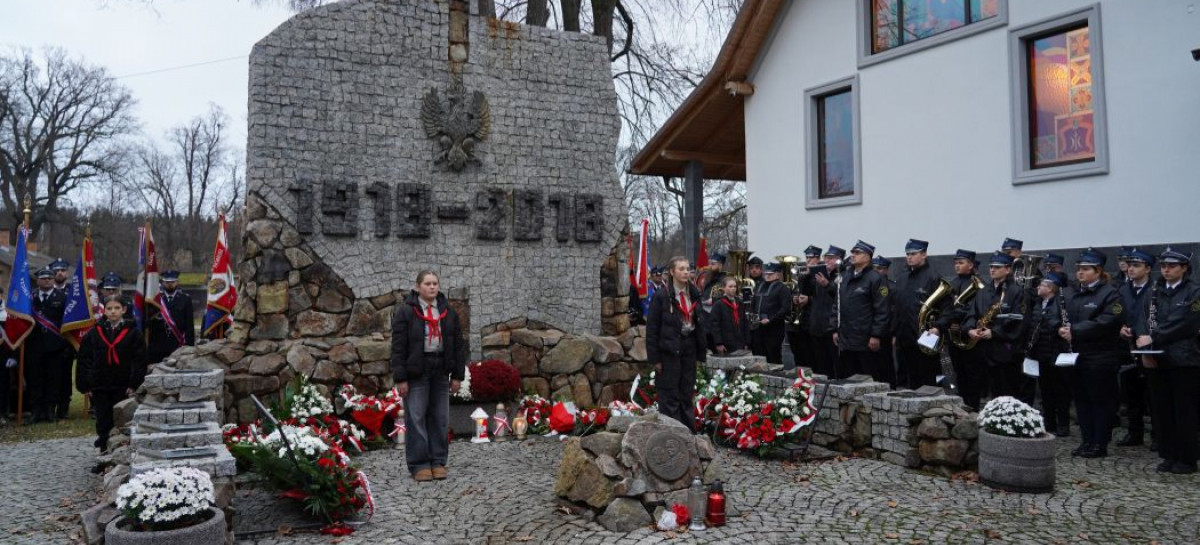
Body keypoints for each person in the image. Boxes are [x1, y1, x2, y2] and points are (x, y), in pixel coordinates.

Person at [391, 271, 467, 482]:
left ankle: (437, 461)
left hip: (440, 369)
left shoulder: (447, 311)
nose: (432, 287)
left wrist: (457, 375)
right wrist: (400, 378)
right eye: (427, 283)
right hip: (417, 370)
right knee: (416, 417)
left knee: (440, 417)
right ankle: (420, 464)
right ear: (418, 287)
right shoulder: (407, 312)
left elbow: (458, 345)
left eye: (435, 283)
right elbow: (398, 347)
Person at [1135, 247, 1200, 474]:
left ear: (1184, 268)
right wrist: (1146, 348)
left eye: (1172, 266)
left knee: (1184, 411)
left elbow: (1185, 322)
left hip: (1184, 359)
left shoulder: (1194, 292)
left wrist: (1154, 336)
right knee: (1162, 410)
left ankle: (1187, 458)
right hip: (1157, 358)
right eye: (1163, 266)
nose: (1166, 270)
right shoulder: (1154, 291)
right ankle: (1169, 454)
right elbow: (1143, 320)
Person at [1059, 248, 1124, 459]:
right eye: (1079, 268)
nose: (1080, 272)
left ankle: (1099, 442)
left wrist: (1075, 330)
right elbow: (1059, 315)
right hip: (1075, 355)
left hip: (1099, 356)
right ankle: (1086, 440)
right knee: (1081, 400)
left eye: (1086, 269)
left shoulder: (1110, 293)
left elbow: (1108, 321)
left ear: (1098, 271)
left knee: (1100, 401)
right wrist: (1059, 328)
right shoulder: (1071, 292)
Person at [76, 296, 146, 452]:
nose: (113, 312)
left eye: (116, 308)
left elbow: (139, 360)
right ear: (104, 311)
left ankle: (121, 450)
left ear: (124, 310)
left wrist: (134, 383)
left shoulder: (133, 333)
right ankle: (104, 448)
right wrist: (86, 384)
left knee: (122, 418)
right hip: (100, 383)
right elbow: (85, 358)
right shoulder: (95, 332)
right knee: (103, 419)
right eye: (109, 308)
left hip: (123, 385)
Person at [647, 256, 706, 432]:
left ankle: (688, 432)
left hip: (689, 347)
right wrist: (655, 359)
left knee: (686, 393)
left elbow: (700, 323)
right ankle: (672, 433)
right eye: (681, 269)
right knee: (669, 393)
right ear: (672, 272)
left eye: (687, 269)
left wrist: (700, 352)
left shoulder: (694, 293)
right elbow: (652, 329)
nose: (686, 272)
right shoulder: (662, 295)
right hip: (669, 351)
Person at [964, 252, 1025, 402]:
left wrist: (995, 332)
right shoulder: (983, 291)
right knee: (984, 390)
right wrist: (970, 329)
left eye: (997, 267)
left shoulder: (1016, 291)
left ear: (1008, 269)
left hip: (1004, 352)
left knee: (1006, 392)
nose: (992, 270)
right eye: (991, 267)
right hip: (983, 350)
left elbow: (1018, 320)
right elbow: (972, 313)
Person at [932, 250, 984, 407]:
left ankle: (973, 406)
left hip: (970, 336)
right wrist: (948, 321)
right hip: (953, 335)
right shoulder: (953, 283)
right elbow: (946, 306)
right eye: (955, 263)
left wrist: (960, 325)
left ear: (971, 265)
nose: (957, 266)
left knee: (972, 374)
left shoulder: (979, 284)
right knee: (958, 372)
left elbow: (975, 308)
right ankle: (962, 403)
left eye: (961, 263)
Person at [833, 241, 889, 380]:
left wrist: (876, 335)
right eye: (852, 252)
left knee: (867, 377)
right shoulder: (845, 277)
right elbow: (837, 304)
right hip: (846, 337)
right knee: (849, 376)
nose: (852, 255)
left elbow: (882, 309)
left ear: (868, 257)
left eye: (857, 253)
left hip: (865, 339)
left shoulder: (875, 278)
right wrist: (834, 329)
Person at [1025, 272, 1072, 437]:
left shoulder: (1060, 303)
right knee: (1045, 390)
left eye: (1042, 285)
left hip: (1056, 352)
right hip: (1040, 353)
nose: (1038, 287)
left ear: (1051, 288)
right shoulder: (1038, 303)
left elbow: (1055, 324)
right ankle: (1049, 421)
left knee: (1060, 390)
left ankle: (1063, 424)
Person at [1116, 249, 1155, 448]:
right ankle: (1134, 432)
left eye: (1136, 265)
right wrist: (1121, 327)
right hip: (1128, 346)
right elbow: (1117, 312)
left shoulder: (1155, 289)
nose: (1131, 269)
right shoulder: (1123, 289)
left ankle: (1157, 435)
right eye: (1130, 265)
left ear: (1148, 269)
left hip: (1149, 345)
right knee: (1131, 393)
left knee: (1153, 393)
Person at [894, 239, 942, 389]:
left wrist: (938, 327)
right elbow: (896, 307)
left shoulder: (933, 277)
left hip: (926, 336)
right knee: (911, 379)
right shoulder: (902, 278)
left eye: (913, 254)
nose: (909, 257)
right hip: (905, 337)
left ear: (924, 254)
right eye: (908, 254)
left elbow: (946, 308)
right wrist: (895, 332)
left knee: (928, 379)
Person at [28, 267, 68, 423]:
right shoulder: (29, 297)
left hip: (55, 345)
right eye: (43, 278)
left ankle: (50, 410)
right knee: (35, 378)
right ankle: (36, 411)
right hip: (34, 344)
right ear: (37, 280)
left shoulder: (63, 297)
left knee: (53, 379)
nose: (46, 280)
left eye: (49, 278)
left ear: (53, 280)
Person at [808, 246, 845, 377]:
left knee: (837, 365)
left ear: (839, 260)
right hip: (817, 326)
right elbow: (806, 292)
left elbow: (842, 296)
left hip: (831, 328)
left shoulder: (843, 275)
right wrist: (807, 274)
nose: (827, 261)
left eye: (831, 258)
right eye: (826, 258)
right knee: (821, 366)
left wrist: (827, 285)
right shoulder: (820, 274)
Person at [147, 270, 196, 365]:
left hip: (178, 343)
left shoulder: (185, 299)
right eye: (167, 282)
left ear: (177, 282)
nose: (170, 284)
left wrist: (189, 346)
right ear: (163, 283)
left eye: (172, 282)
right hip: (159, 344)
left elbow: (189, 324)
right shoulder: (156, 299)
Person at [786, 245, 823, 372]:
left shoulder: (821, 275)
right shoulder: (802, 275)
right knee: (800, 355)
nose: (808, 260)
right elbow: (796, 291)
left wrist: (809, 299)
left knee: (813, 357)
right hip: (800, 322)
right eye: (807, 257)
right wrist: (794, 298)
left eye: (811, 257)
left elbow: (824, 298)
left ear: (818, 258)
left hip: (813, 321)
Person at [751, 263, 791, 365]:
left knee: (773, 358)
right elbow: (753, 304)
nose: (767, 276)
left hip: (774, 330)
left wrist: (771, 319)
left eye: (771, 274)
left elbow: (785, 309)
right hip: (758, 328)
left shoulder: (783, 288)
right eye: (766, 273)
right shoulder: (759, 286)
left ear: (777, 274)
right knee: (758, 357)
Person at [710, 277, 748, 356]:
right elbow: (714, 325)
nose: (733, 289)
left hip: (740, 342)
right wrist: (718, 343)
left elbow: (744, 322)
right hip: (726, 343)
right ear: (724, 288)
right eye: (730, 286)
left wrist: (747, 341)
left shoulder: (739, 303)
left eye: (735, 286)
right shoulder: (719, 304)